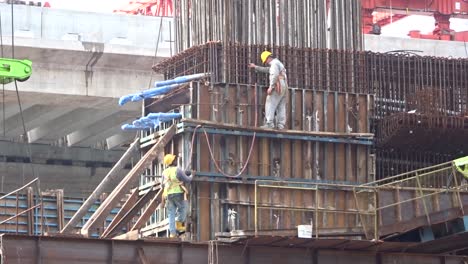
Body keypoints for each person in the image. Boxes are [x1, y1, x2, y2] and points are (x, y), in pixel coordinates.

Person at [248, 51, 289, 130]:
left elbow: (274, 74)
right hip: (284, 85)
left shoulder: (274, 64)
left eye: (266, 61)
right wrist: (255, 67)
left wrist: (271, 87)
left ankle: (269, 123)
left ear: (268, 58)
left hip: (278, 84)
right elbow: (268, 70)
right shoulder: (278, 63)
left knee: (270, 102)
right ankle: (281, 125)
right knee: (281, 105)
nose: (266, 62)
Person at [161, 153, 194, 238]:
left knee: (171, 214)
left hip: (168, 195)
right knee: (183, 209)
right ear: (172, 162)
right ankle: (179, 223)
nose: (175, 160)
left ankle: (172, 233)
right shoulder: (177, 170)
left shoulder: (164, 172)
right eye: (174, 159)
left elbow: (162, 185)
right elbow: (187, 180)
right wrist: (192, 175)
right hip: (178, 193)